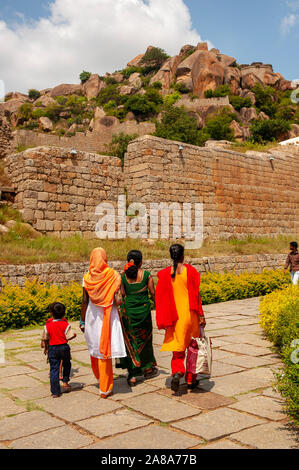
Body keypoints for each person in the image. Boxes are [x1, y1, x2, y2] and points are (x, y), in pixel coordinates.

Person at [155, 244, 206, 392]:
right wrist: (201, 315)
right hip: (190, 315)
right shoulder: (190, 271)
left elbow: (160, 297)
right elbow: (196, 296)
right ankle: (191, 380)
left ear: (171, 256)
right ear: (183, 255)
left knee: (178, 350)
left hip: (174, 317)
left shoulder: (165, 274)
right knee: (192, 348)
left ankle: (178, 372)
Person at [80, 247, 126, 398]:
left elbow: (84, 301)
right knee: (105, 350)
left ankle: (99, 377)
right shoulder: (113, 276)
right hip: (109, 315)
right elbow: (122, 295)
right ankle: (105, 388)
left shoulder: (87, 278)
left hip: (93, 315)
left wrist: (82, 321)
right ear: (105, 259)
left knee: (95, 348)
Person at [117, 250, 158, 386]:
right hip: (144, 313)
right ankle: (147, 368)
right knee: (145, 340)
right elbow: (153, 293)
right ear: (140, 261)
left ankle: (133, 375)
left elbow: (122, 295)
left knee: (131, 342)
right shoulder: (147, 275)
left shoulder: (122, 277)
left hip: (129, 313)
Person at [41, 302, 76, 398]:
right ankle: (65, 381)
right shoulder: (65, 324)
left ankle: (55, 392)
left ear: (51, 313)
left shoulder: (47, 326)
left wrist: (45, 345)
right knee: (67, 364)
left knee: (54, 369)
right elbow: (70, 336)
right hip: (64, 347)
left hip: (53, 348)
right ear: (64, 313)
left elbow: (45, 337)